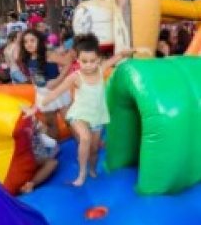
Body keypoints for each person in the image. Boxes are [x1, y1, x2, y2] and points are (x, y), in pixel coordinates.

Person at [40, 34, 134, 186]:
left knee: (95, 150)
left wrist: (129, 51)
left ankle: (92, 168)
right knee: (85, 138)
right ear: (78, 60)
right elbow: (56, 92)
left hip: (97, 116)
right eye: (84, 61)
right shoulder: (76, 77)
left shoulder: (100, 69)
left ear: (98, 60)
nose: (88, 65)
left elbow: (117, 57)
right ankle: (82, 173)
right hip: (79, 114)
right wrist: (37, 105)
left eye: (92, 61)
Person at [19, 29, 70, 139]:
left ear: (39, 41)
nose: (29, 44)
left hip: (58, 91)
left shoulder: (48, 54)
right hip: (43, 93)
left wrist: (58, 80)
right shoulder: (27, 58)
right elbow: (34, 75)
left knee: (69, 121)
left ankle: (83, 144)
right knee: (51, 123)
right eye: (25, 42)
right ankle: (54, 148)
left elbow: (67, 63)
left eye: (32, 40)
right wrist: (36, 87)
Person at [19, 106, 59, 194]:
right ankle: (31, 184)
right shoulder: (21, 129)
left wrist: (36, 124)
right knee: (52, 162)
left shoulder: (33, 123)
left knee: (53, 152)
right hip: (32, 155)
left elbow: (43, 130)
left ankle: (30, 184)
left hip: (40, 150)